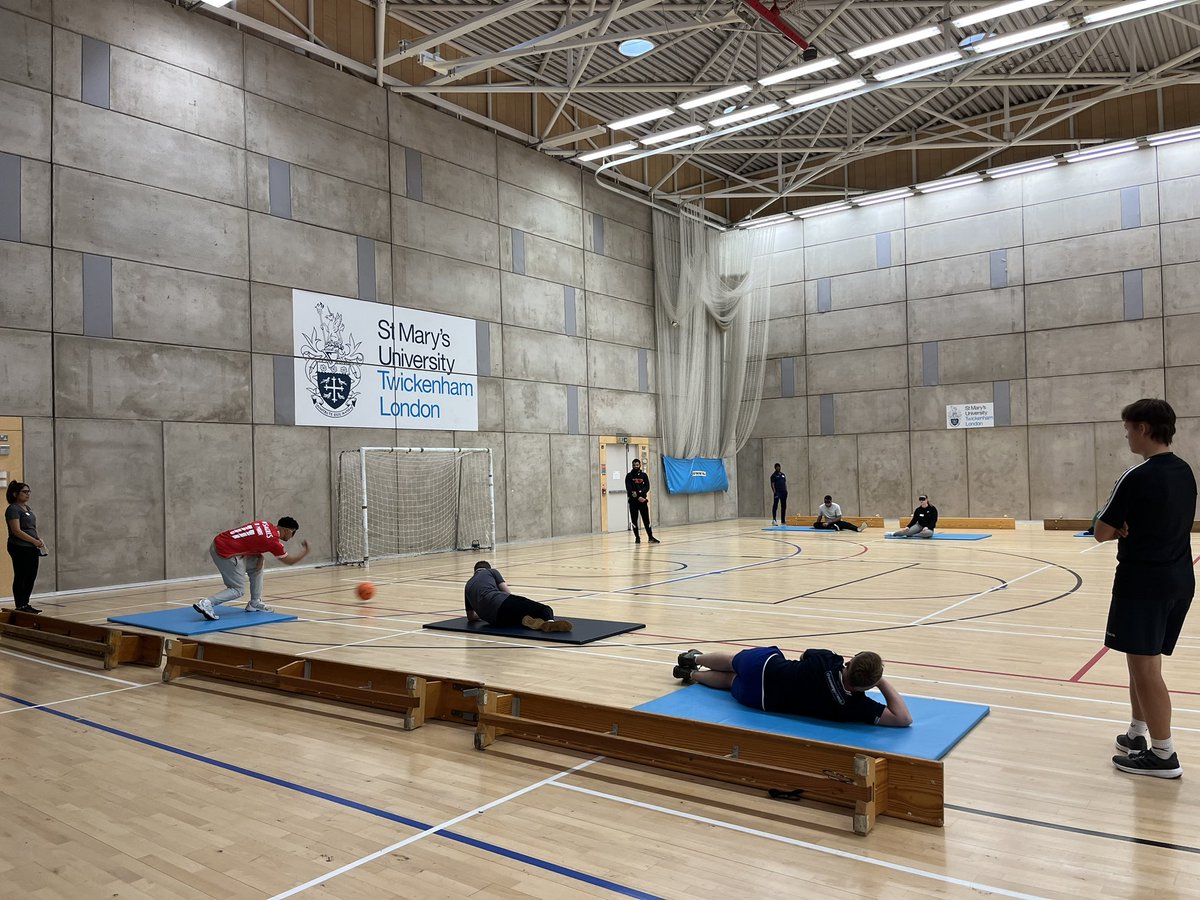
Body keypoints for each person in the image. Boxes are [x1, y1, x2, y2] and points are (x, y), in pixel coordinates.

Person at [1095, 398, 1196, 779]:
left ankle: (1163, 754)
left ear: (1142, 428)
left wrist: (1115, 525)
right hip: (1179, 580)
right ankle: (1137, 734)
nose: (1125, 434)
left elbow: (1101, 531)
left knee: (1147, 670)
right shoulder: (1185, 472)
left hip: (1142, 584)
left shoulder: (1136, 475)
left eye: (1127, 427)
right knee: (1140, 660)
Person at [672, 646, 912, 727]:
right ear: (866, 687)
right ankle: (691, 674)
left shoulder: (828, 660)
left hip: (764, 667)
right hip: (761, 699)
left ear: (849, 662)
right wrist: (879, 681)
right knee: (728, 680)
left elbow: (805, 655)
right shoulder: (855, 706)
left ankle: (694, 658)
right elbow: (903, 719)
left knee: (731, 661)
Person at [192, 517, 310, 621]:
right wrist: (305, 553)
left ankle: (255, 602)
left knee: (257, 565)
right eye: (293, 533)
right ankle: (206, 603)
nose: (292, 536)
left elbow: (251, 539)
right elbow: (289, 561)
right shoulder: (274, 542)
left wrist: (259, 555)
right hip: (225, 552)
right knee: (238, 590)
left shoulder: (265, 524)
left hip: (219, 542)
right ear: (287, 530)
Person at [464, 560, 572, 632]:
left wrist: (484, 611)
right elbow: (507, 593)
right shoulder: (491, 572)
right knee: (545, 609)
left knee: (520, 617)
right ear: (487, 568)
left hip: (492, 620)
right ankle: (549, 623)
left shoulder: (467, 585)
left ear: (474, 572)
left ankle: (534, 623)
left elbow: (471, 617)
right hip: (500, 602)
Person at [6, 481, 45, 614]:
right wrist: (34, 541)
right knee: (21, 575)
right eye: (24, 492)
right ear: (15, 494)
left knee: (31, 575)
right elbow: (16, 531)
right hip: (19, 547)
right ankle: (20, 605)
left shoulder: (27, 509)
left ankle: (25, 603)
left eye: (29, 492)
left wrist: (38, 540)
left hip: (31, 546)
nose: (28, 494)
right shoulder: (13, 509)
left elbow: (30, 528)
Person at [625, 457, 660, 544]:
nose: (636, 466)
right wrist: (637, 497)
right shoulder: (629, 476)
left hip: (643, 501)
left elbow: (647, 487)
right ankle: (637, 538)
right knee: (634, 520)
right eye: (634, 465)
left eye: (637, 465)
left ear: (640, 465)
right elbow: (629, 489)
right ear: (632, 465)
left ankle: (650, 537)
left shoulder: (644, 475)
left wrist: (640, 494)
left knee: (646, 520)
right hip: (633, 502)